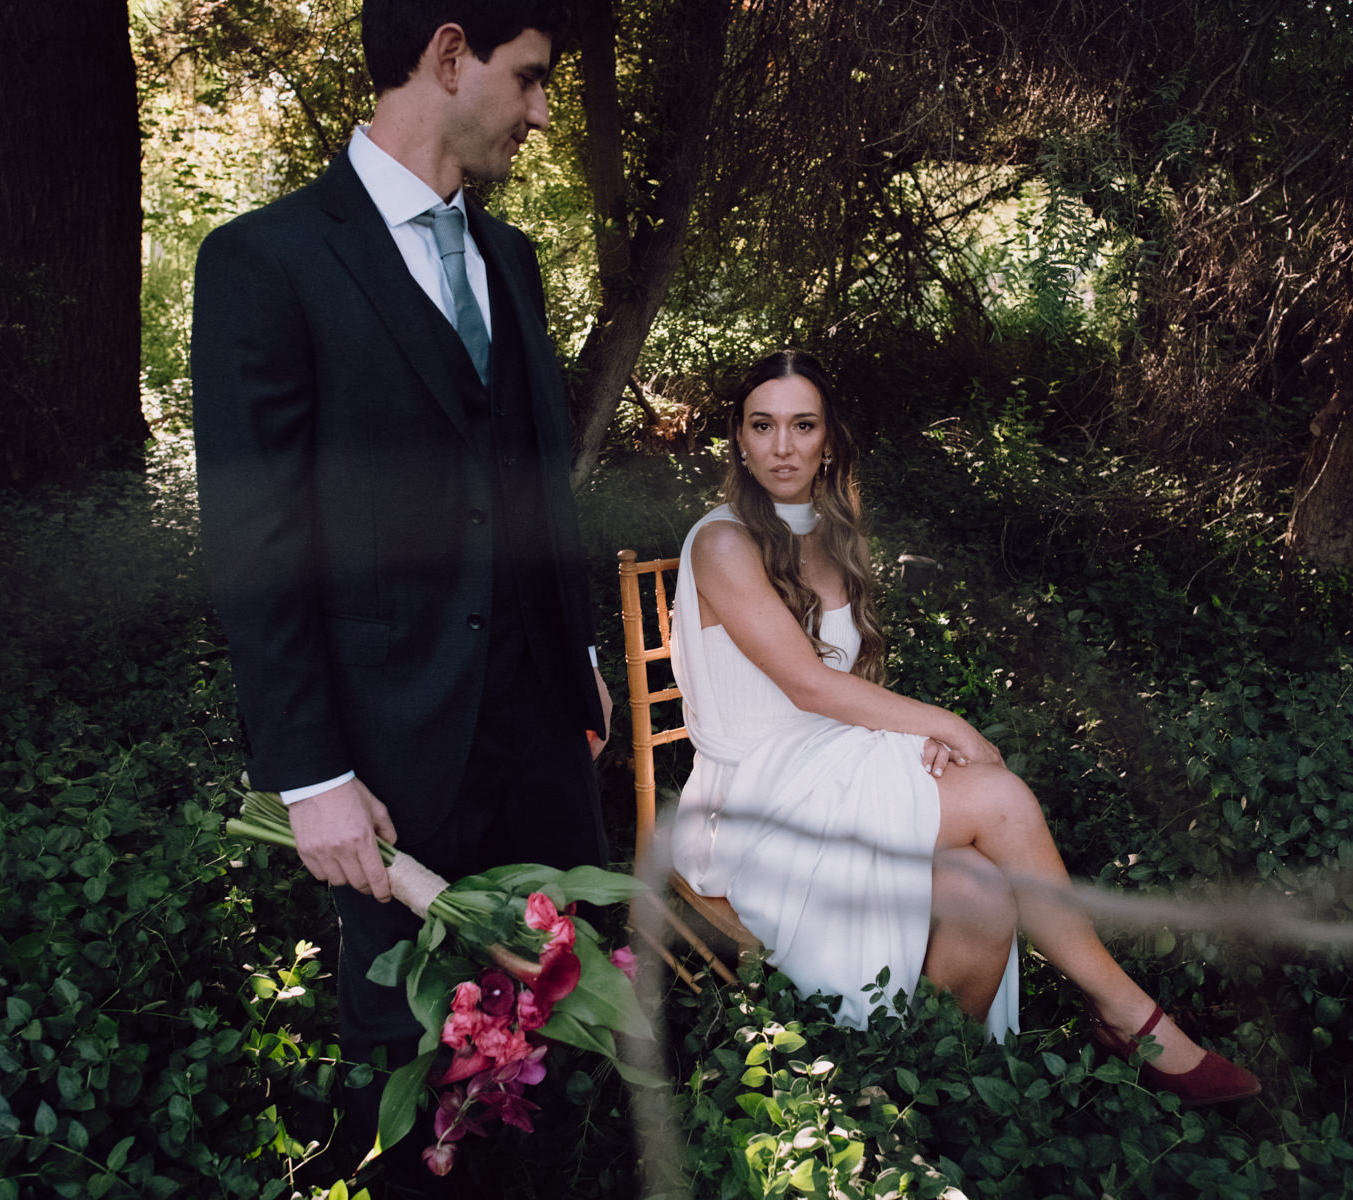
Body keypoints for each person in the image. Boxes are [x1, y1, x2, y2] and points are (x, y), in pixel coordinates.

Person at [191, 0, 612, 1161]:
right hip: (390, 760)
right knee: (416, 1068)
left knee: (554, 1041)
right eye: (528, 78)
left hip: (541, 736)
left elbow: (537, 480)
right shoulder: (266, 262)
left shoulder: (510, 257)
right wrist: (310, 773)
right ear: (448, 54)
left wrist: (579, 656)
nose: (540, 113)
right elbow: (258, 539)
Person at [669, 349, 1259, 1104]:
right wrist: (949, 724)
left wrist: (903, 742)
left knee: (980, 891)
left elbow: (852, 692)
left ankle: (927, 1084)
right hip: (757, 802)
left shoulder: (833, 533)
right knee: (1000, 798)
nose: (783, 447)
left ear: (829, 439)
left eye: (803, 426)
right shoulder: (722, 541)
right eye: (763, 426)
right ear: (739, 438)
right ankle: (1130, 1016)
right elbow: (808, 685)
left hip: (828, 765)